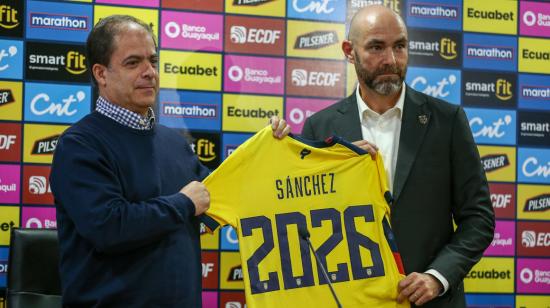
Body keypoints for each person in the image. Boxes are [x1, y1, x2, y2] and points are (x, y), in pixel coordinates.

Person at [50, 15, 289, 307]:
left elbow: (226, 194)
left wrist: (278, 153)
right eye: (133, 62)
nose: (149, 71)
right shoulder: (80, 144)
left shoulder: (173, 142)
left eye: (152, 60)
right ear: (101, 74)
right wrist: (183, 203)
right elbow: (109, 227)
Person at [301, 5, 494, 308]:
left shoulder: (448, 120)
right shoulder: (320, 127)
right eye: (376, 47)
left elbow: (479, 218)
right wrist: (280, 151)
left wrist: (437, 277)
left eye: (399, 46)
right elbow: (306, 220)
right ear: (349, 51)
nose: (391, 60)